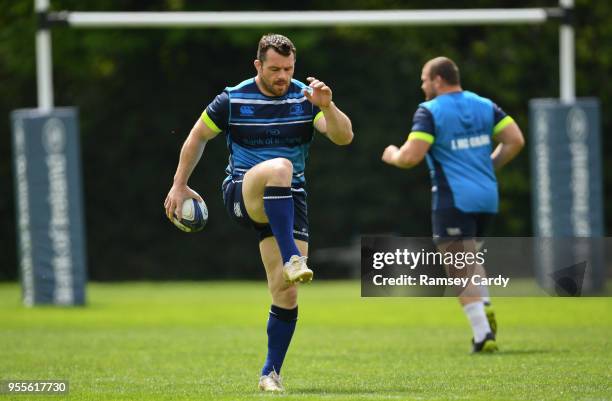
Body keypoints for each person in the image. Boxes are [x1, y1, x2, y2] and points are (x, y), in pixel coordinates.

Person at [164, 33, 353, 391]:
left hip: (290, 199)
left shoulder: (305, 97)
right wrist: (179, 184)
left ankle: (270, 374)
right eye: (275, 69)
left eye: (288, 68)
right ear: (258, 66)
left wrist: (328, 106)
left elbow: (344, 137)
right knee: (280, 166)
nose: (283, 76)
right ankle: (293, 258)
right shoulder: (232, 99)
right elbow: (197, 136)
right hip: (243, 192)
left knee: (286, 292)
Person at [381, 56, 524, 353]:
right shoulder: (484, 104)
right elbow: (515, 140)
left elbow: (411, 156)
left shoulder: (430, 111)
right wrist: (487, 166)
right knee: (471, 259)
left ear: (437, 80)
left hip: (453, 199)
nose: (422, 85)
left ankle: (483, 334)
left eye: (424, 79)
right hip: (487, 198)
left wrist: (392, 154)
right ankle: (483, 306)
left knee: (458, 267)